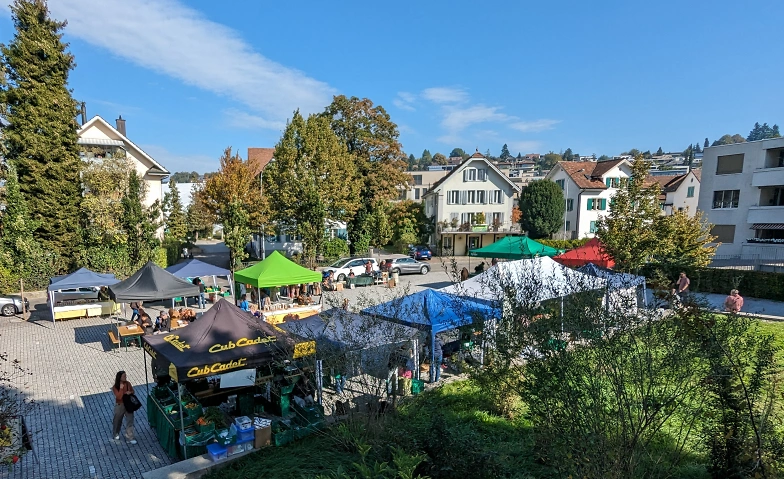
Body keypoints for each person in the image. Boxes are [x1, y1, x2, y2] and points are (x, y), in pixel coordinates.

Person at [111, 371, 136, 444]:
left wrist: (130, 392)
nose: (125, 377)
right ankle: (116, 433)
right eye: (124, 376)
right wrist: (121, 389)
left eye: (125, 376)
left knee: (130, 420)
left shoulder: (128, 383)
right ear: (119, 377)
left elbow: (133, 391)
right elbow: (118, 397)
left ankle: (130, 437)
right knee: (117, 420)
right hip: (120, 405)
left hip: (128, 404)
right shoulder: (115, 386)